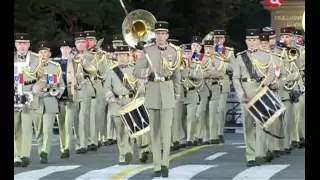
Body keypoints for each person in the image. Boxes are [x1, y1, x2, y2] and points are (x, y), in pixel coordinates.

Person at [133, 21, 181, 177]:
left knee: (167, 132)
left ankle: (165, 164)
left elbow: (176, 76)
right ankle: (156, 165)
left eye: (163, 33)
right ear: (155, 35)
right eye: (158, 33)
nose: (160, 36)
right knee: (154, 131)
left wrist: (176, 95)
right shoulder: (147, 50)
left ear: (167, 35)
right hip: (153, 91)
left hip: (167, 92)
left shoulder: (175, 51)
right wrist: (148, 70)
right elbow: (136, 71)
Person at [232, 29, 276, 167]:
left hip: (261, 92)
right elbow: (235, 78)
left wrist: (267, 82)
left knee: (261, 125)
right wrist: (240, 93)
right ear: (246, 41)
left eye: (254, 40)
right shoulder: (240, 57)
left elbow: (273, 71)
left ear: (259, 41)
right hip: (246, 93)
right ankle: (250, 156)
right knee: (248, 126)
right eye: (249, 40)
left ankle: (259, 154)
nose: (251, 43)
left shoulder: (267, 55)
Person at [105, 45, 145, 165]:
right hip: (116, 103)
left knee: (131, 129)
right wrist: (110, 96)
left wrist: (139, 95)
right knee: (120, 130)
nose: (121, 58)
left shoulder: (134, 69)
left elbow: (141, 86)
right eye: (119, 55)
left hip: (130, 102)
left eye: (124, 55)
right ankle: (123, 155)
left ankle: (129, 151)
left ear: (128, 57)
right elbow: (107, 86)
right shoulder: (111, 71)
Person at [14, 33, 45, 167]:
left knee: (26, 127)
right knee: (15, 127)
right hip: (14, 93)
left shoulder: (36, 59)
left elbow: (43, 78)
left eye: (24, 43)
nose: (22, 46)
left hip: (29, 93)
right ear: (15, 45)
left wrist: (35, 90)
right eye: (19, 43)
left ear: (29, 45)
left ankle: (24, 154)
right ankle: (15, 155)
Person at [33, 41, 66, 164]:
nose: (43, 54)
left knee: (47, 129)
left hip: (50, 100)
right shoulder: (31, 67)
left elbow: (61, 85)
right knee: (38, 130)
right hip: (36, 101)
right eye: (41, 52)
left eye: (45, 52)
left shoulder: (55, 67)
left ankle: (44, 152)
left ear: (49, 53)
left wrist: (57, 93)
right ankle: (40, 150)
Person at [72, 32, 97, 154]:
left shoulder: (91, 56)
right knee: (75, 117)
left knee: (83, 116)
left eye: (82, 42)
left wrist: (84, 63)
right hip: (74, 88)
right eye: (78, 42)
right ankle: (78, 142)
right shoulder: (71, 57)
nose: (80, 45)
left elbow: (94, 71)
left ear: (86, 43)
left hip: (86, 86)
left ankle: (84, 143)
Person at [213, 29, 235, 143]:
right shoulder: (208, 50)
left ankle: (219, 132)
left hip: (223, 82)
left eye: (220, 38)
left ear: (224, 39)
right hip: (210, 82)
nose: (218, 40)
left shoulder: (229, 52)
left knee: (221, 109)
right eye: (216, 38)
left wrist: (222, 65)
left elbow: (233, 67)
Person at [55, 39, 74, 159]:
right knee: (61, 124)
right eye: (63, 48)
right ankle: (62, 147)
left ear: (70, 49)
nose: (65, 50)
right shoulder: (55, 63)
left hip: (70, 97)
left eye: (67, 48)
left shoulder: (75, 63)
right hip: (58, 97)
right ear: (61, 49)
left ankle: (66, 147)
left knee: (68, 124)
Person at [204, 39, 224, 144]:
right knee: (204, 112)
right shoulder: (200, 59)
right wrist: (211, 73)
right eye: (206, 47)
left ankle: (213, 136)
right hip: (203, 87)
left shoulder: (218, 60)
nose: (208, 49)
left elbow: (221, 74)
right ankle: (205, 135)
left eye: (210, 47)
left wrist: (208, 73)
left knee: (213, 112)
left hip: (214, 87)